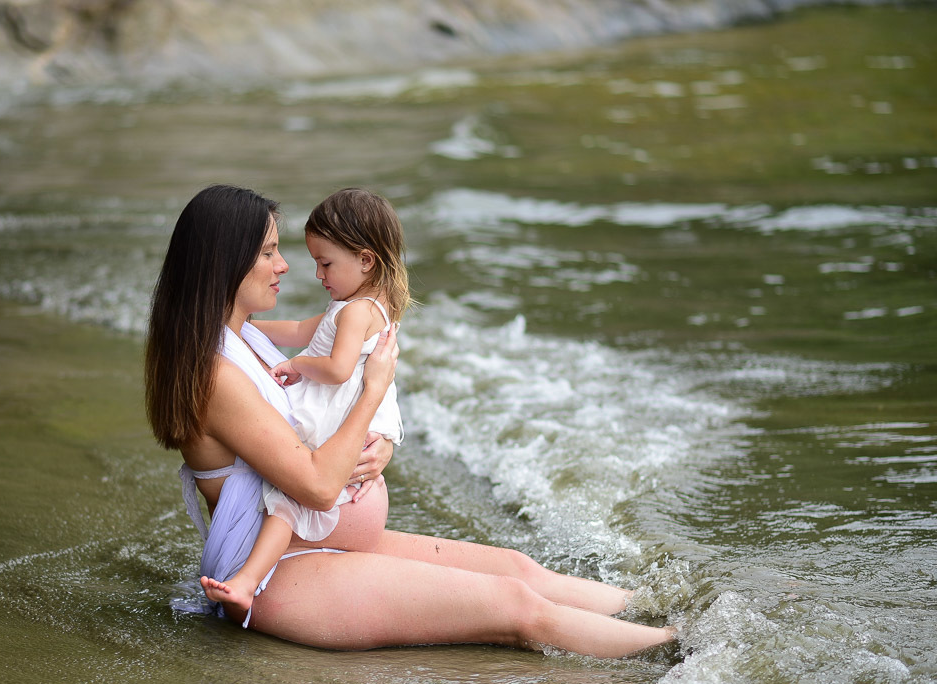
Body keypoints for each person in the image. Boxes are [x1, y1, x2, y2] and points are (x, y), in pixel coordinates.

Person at [146, 184, 675, 658]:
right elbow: (318, 484)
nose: (284, 265)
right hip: (281, 575)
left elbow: (312, 433)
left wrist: (380, 448)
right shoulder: (215, 374)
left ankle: (674, 610)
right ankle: (686, 654)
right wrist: (372, 391)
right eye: (267, 252)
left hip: (320, 540)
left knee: (517, 569)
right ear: (223, 263)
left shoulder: (248, 340)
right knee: (517, 609)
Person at [200, 188, 409, 621]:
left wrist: (297, 364)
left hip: (326, 424)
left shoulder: (355, 312)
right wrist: (239, 327)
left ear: (366, 260)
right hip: (333, 511)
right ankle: (246, 582)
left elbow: (335, 368)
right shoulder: (354, 307)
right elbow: (297, 327)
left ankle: (245, 582)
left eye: (326, 263)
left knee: (284, 505)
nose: (315, 273)